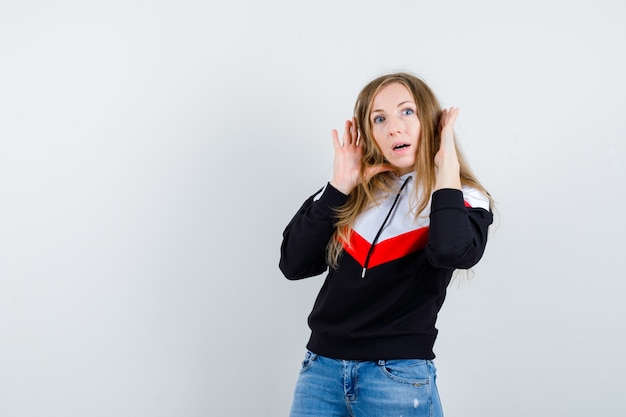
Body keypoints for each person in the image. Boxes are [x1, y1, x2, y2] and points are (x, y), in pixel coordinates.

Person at [279, 72, 494, 417]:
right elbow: (293, 263)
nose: (394, 127)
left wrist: (446, 169)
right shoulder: (348, 193)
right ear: (369, 134)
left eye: (406, 112)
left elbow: (452, 252)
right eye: (379, 118)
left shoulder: (462, 198)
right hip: (320, 371)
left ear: (431, 121)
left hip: (395, 377)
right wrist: (339, 185)